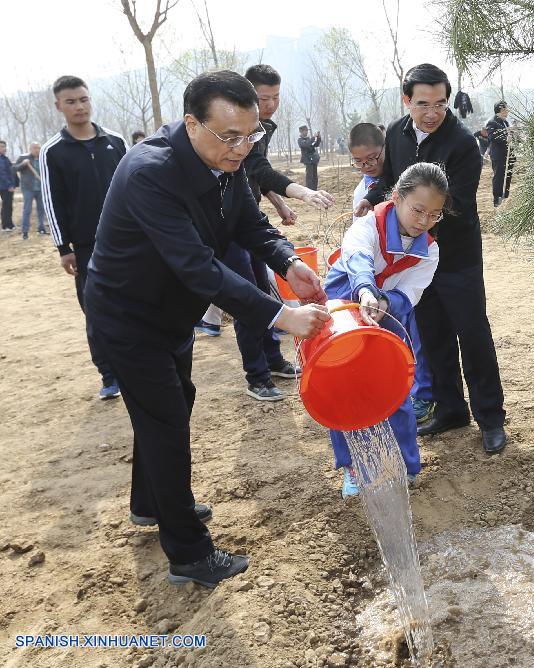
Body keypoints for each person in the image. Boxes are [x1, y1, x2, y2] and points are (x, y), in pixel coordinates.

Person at [84, 70, 331, 587]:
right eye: (230, 136)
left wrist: (288, 264)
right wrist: (280, 315)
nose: (242, 148)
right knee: (166, 419)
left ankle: (151, 503)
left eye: (251, 134)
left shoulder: (224, 161)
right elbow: (199, 266)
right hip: (129, 315)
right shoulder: (151, 170)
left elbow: (247, 223)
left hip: (170, 311)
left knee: (173, 405)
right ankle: (190, 554)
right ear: (192, 124)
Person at [354, 63, 508, 455]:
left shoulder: (461, 144)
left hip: (456, 257)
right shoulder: (396, 133)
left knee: (472, 334)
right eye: (422, 104)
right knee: (433, 335)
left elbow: (455, 202)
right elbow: (389, 181)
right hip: (411, 259)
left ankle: (490, 418)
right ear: (407, 100)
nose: (432, 113)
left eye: (440, 103)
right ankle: (452, 409)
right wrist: (372, 203)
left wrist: (413, 221)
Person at [196, 64, 335, 402]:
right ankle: (256, 374)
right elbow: (256, 167)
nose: (270, 105)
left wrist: (280, 210)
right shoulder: (231, 133)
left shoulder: (260, 128)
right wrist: (299, 192)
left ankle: (272, 358)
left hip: (247, 219)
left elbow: (249, 179)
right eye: (263, 98)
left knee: (264, 290)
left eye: (275, 97)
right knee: (246, 296)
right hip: (223, 227)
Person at [325, 162, 444, 497]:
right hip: (346, 301)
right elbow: (358, 260)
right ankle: (352, 467)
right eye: (418, 210)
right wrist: (365, 291)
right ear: (396, 198)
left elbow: (410, 292)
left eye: (434, 215)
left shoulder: (429, 250)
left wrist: (384, 305)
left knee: (392, 387)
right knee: (343, 386)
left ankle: (405, 465)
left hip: (389, 311)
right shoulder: (368, 226)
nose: (423, 221)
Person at [41, 76, 127, 399]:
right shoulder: (54, 151)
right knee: (96, 307)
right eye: (71, 101)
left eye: (83, 99)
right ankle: (109, 373)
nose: (79, 106)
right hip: (88, 246)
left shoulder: (116, 142)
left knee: (136, 301)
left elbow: (137, 185)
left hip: (127, 240)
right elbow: (53, 202)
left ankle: (135, 363)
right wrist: (64, 248)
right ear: (59, 106)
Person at [349, 122, 435, 424]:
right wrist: (366, 289)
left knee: (412, 341)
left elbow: (411, 290)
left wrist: (387, 299)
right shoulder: (363, 195)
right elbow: (358, 253)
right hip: (368, 290)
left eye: (373, 157)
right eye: (360, 162)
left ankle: (420, 394)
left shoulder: (412, 185)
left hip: (396, 290)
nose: (368, 165)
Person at [486, 101, 515, 207]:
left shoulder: (506, 122)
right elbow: (492, 137)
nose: (507, 111)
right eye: (506, 109)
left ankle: (505, 195)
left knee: (508, 175)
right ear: (500, 110)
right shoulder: (492, 122)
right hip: (499, 155)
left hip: (508, 154)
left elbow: (510, 136)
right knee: (499, 176)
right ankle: (497, 199)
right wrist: (505, 139)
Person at [15, 142, 47, 238]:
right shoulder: (23, 158)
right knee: (27, 209)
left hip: (40, 187)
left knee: (41, 209)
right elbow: (14, 168)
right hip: (28, 188)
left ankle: (41, 228)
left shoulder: (43, 158)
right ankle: (25, 232)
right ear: (30, 149)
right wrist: (23, 164)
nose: (37, 150)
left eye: (38, 148)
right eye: (35, 148)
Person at [297, 125, 321, 190]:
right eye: (305, 130)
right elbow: (306, 144)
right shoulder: (300, 140)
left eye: (307, 130)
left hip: (313, 159)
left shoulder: (308, 139)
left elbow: (316, 144)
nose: (306, 132)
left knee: (315, 176)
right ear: (301, 131)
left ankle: (314, 189)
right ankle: (309, 190)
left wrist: (318, 138)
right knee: (309, 177)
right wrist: (313, 137)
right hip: (307, 160)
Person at [0, 140, 15, 231]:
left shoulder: (5, 158)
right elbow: (2, 173)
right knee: (6, 206)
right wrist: (10, 185)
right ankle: (6, 226)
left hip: (7, 186)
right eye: (1, 146)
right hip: (4, 186)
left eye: (4, 146)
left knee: (8, 205)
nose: (3, 148)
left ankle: (10, 224)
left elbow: (11, 172)